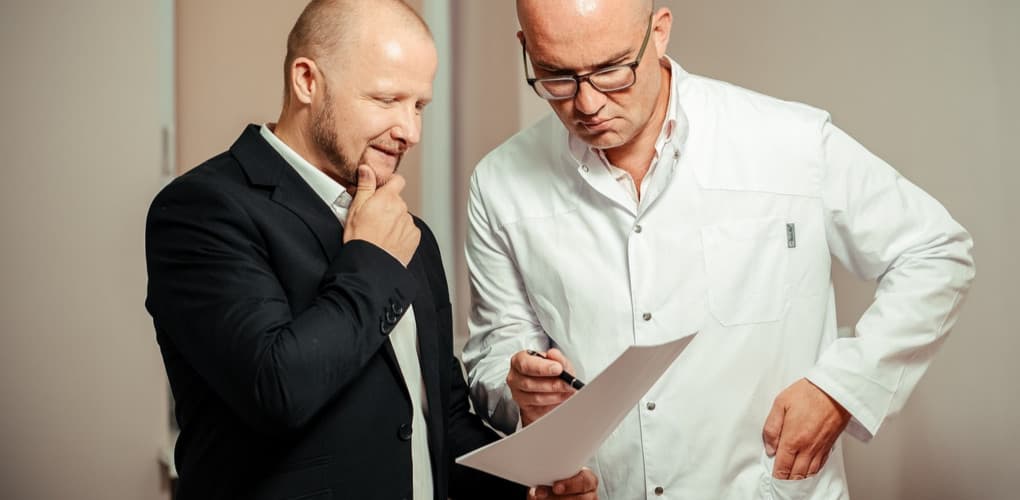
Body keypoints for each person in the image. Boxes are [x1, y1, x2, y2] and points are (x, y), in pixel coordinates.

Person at [462, 0, 975, 498]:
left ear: (658, 32)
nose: (588, 103)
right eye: (556, 75)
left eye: (612, 70)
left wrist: (842, 389)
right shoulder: (499, 182)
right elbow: (494, 350)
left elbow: (935, 251)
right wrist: (520, 390)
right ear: (525, 48)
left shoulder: (787, 141)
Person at [145, 0, 597, 498]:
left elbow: (437, 424)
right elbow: (276, 390)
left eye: (419, 105)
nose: (411, 131)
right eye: (387, 99)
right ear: (306, 82)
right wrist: (374, 261)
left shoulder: (411, 236)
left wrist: (527, 488)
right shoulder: (202, 209)